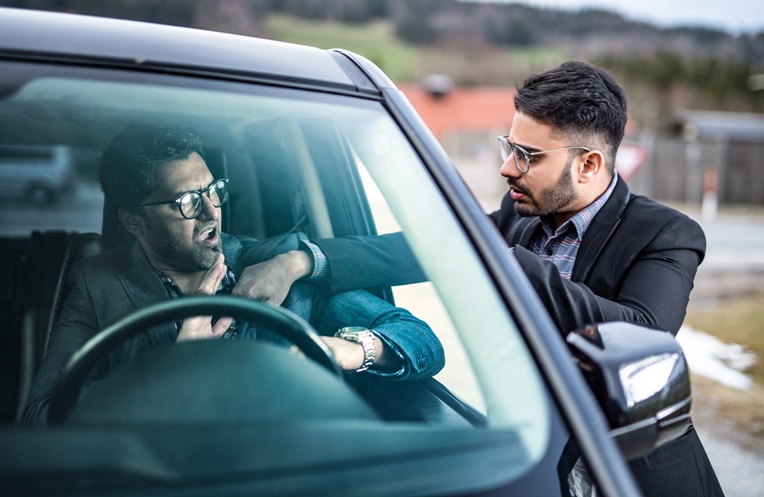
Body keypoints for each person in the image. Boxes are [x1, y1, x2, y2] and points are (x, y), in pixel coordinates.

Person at [243, 61, 723, 496]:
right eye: (510, 147)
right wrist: (303, 261)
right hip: (532, 457)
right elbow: (423, 247)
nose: (507, 167)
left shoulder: (667, 234)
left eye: (529, 156)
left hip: (630, 473)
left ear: (589, 164)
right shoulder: (518, 218)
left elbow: (642, 329)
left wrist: (506, 258)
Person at [20, 123, 444, 424]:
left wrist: (349, 349)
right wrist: (171, 369)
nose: (211, 212)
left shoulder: (274, 268)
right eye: (187, 201)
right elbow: (40, 419)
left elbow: (421, 341)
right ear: (134, 222)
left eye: (213, 191)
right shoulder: (98, 283)